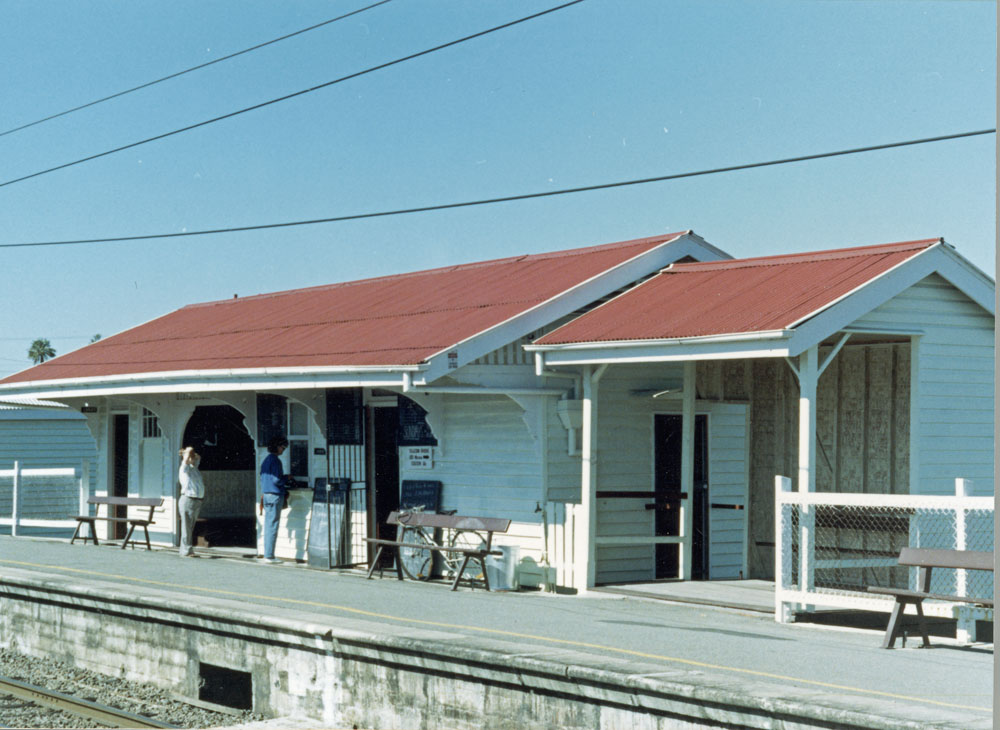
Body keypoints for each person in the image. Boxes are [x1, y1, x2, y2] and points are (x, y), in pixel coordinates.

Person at [260, 436, 291, 564]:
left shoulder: (266, 460)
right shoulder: (276, 461)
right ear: (277, 447)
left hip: (266, 495)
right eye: (283, 447)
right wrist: (287, 478)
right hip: (275, 495)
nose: (283, 450)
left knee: (269, 525)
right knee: (273, 526)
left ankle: (268, 554)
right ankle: (269, 556)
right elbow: (277, 480)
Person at [177, 446, 205, 557]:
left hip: (196, 500)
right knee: (186, 527)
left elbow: (198, 458)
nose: (192, 459)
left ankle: (186, 549)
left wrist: (194, 455)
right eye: (190, 457)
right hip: (188, 499)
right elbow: (188, 452)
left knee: (189, 527)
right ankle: (186, 550)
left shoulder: (194, 468)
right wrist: (188, 452)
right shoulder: (184, 468)